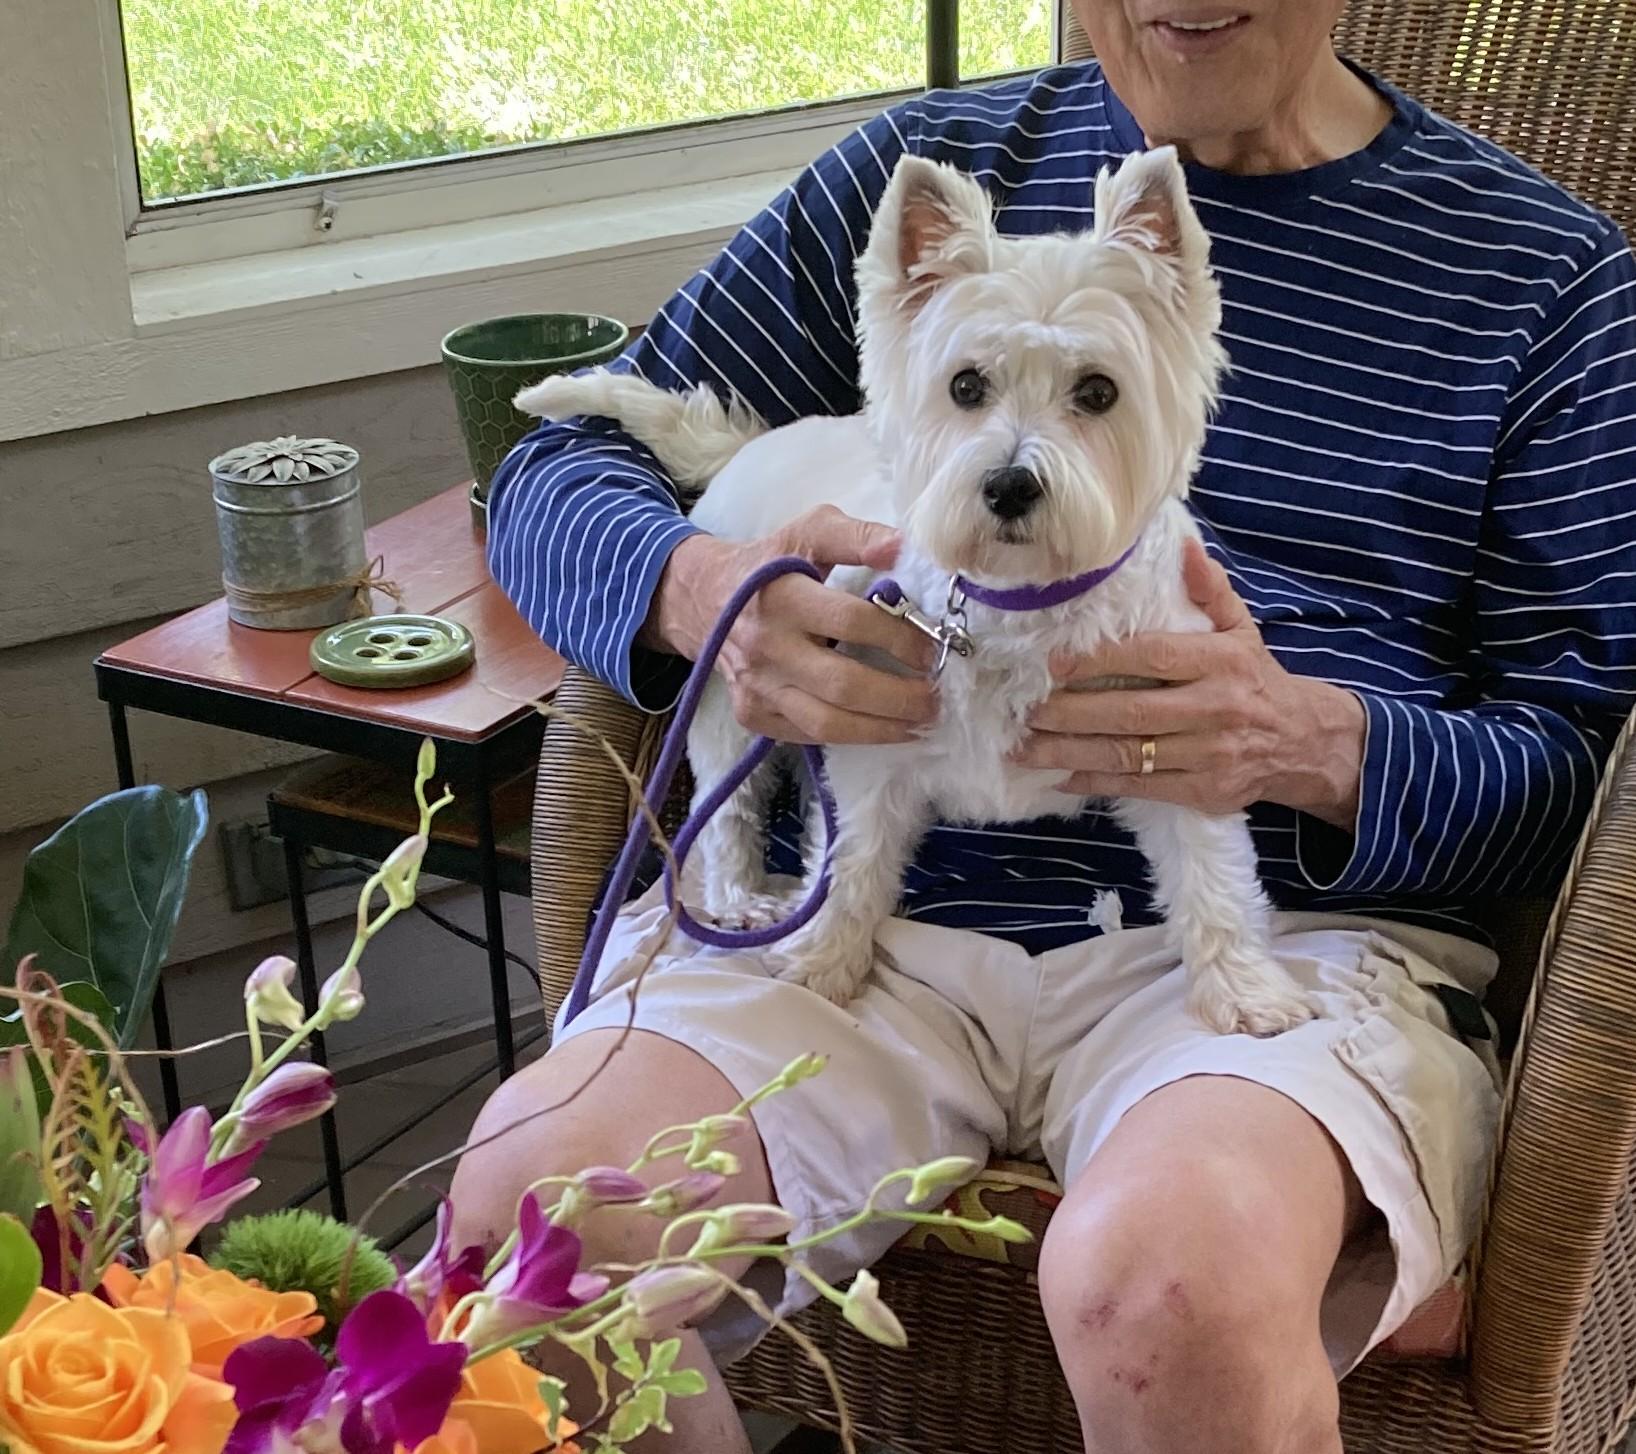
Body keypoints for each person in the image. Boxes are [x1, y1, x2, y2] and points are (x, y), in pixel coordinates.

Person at [455, 2, 1636, 1449]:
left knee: (1168, 1290)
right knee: (536, 1220)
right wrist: (710, 598)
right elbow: (553, 471)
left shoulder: (1544, 279)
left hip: (1260, 947)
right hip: (867, 915)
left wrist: (1311, 741)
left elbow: (1587, 767)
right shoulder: (935, 172)